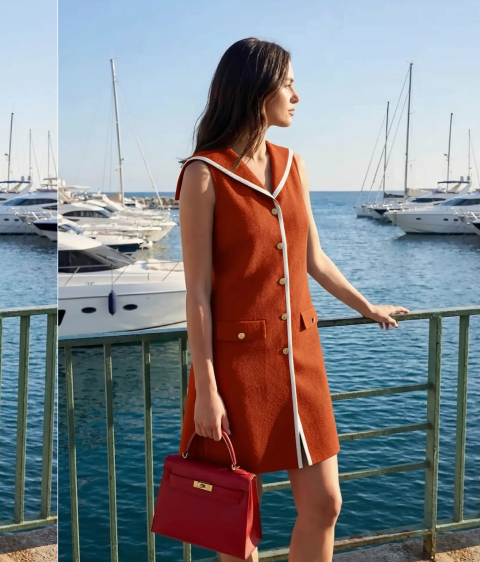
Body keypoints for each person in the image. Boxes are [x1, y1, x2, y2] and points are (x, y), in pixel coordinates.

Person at [175, 37, 409, 562]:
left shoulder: (291, 165)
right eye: (288, 84)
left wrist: (367, 306)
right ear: (256, 89)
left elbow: (314, 259)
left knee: (325, 504)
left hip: (302, 359)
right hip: (234, 369)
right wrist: (206, 390)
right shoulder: (204, 173)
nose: (297, 96)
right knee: (235, 520)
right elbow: (197, 294)